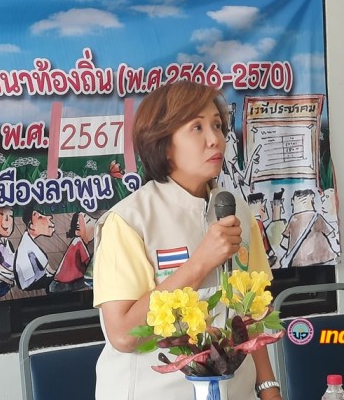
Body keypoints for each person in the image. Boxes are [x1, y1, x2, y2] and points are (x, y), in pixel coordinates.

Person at [92, 81, 280, 400]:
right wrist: (200, 263)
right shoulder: (129, 221)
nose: (214, 139)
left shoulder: (237, 210)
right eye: (197, 127)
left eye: (217, 126)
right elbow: (123, 335)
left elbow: (252, 313)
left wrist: (268, 389)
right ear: (164, 144)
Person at [14, 203, 56, 291]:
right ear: (31, 226)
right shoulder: (27, 244)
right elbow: (49, 268)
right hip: (30, 282)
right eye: (39, 217)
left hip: (32, 278)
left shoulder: (27, 239)